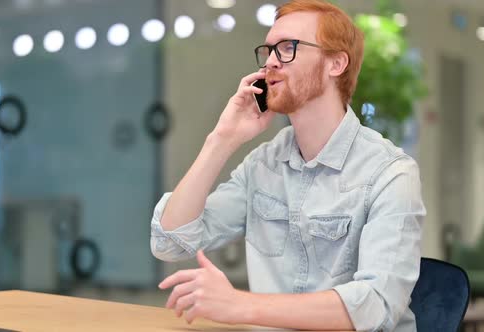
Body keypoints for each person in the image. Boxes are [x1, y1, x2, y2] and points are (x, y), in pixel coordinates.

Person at [150, 0, 426, 330]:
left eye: (287, 48)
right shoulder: (264, 164)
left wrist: (241, 305)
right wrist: (221, 139)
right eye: (268, 51)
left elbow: (375, 306)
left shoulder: (391, 173)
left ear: (336, 63)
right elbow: (170, 242)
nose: (269, 63)